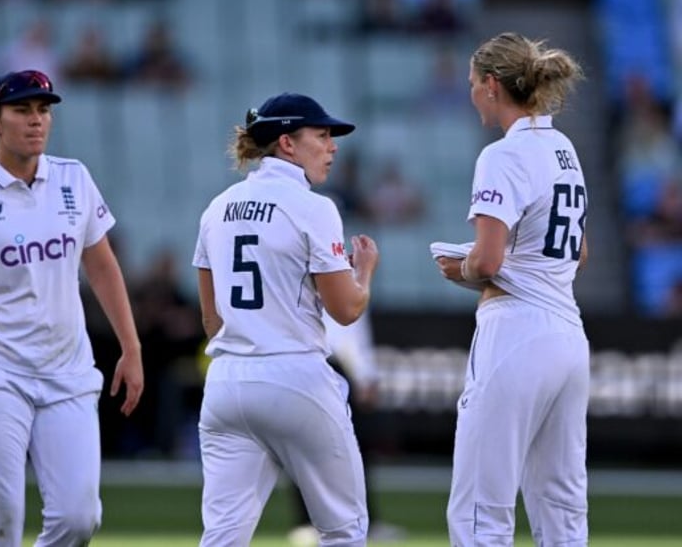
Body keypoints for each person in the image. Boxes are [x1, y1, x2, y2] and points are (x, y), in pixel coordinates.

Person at [0, 69, 144, 546]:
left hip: (67, 373)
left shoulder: (74, 178)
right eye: (22, 110)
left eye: (43, 110)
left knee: (79, 519)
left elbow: (102, 268)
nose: (36, 121)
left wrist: (130, 346)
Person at [192, 92, 379, 546]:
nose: (332, 146)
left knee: (222, 536)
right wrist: (365, 271)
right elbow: (347, 309)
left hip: (226, 382)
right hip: (295, 374)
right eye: (321, 135)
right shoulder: (315, 206)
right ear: (287, 144)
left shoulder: (217, 208)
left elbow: (211, 319)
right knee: (344, 529)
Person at [433, 32, 590, 546]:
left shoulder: (503, 155)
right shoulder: (563, 148)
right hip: (569, 334)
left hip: (517, 331)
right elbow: (579, 252)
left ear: (492, 86)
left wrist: (462, 268)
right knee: (561, 503)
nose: (472, 92)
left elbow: (489, 259)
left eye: (473, 82)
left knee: (482, 501)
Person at [287, 309, 406, 546]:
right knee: (310, 445)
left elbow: (354, 327)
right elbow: (345, 324)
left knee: (352, 448)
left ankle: (358, 519)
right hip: (319, 361)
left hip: (325, 364)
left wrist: (365, 373)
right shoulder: (334, 272)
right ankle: (309, 522)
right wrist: (364, 373)